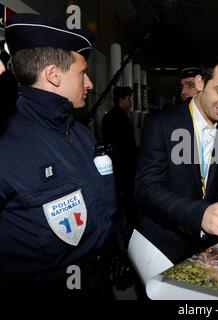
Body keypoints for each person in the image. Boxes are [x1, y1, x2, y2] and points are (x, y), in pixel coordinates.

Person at [0, 13, 116, 297]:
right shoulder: (6, 143)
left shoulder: (80, 133)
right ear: (53, 75)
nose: (89, 83)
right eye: (82, 73)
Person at [134, 53, 218, 264]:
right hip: (163, 245)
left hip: (210, 246)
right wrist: (199, 214)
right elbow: (146, 189)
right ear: (200, 83)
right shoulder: (160, 124)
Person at [102, 86, 138, 232]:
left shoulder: (107, 116)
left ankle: (118, 227)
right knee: (129, 196)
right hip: (125, 164)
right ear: (121, 99)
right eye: (128, 99)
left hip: (112, 164)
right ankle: (131, 226)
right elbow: (128, 143)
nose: (130, 102)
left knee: (116, 195)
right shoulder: (122, 116)